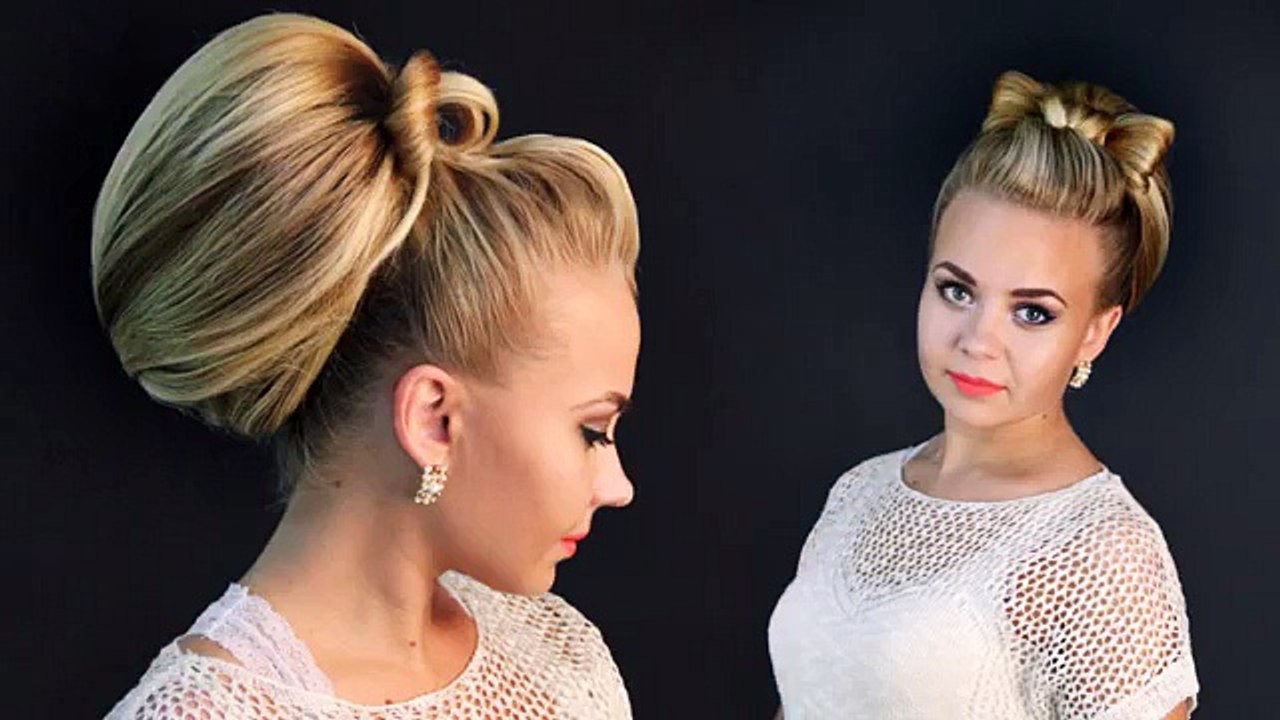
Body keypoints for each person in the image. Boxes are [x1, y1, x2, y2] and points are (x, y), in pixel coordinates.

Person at [94, 12, 641, 719]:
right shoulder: (200, 712)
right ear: (434, 418)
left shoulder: (555, 651)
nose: (619, 486)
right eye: (592, 432)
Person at [768, 70, 1198, 719]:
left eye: (1032, 312)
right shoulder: (861, 493)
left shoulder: (1102, 552)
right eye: (957, 291)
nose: (978, 341)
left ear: (1095, 331)